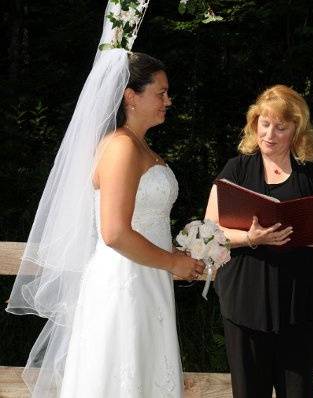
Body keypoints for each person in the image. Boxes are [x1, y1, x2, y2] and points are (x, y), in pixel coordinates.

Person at [7, 50, 204, 397]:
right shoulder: (121, 147)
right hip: (125, 280)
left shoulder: (138, 146)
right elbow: (113, 232)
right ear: (131, 96)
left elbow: (144, 222)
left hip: (148, 276)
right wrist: (173, 262)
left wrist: (177, 255)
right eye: (160, 93)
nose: (168, 101)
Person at [205, 85, 313, 398]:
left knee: (299, 392)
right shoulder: (235, 170)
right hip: (244, 303)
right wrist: (251, 238)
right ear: (255, 124)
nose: (270, 134)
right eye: (264, 124)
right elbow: (208, 232)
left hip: (300, 305)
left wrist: (296, 234)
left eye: (281, 127)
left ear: (296, 130)